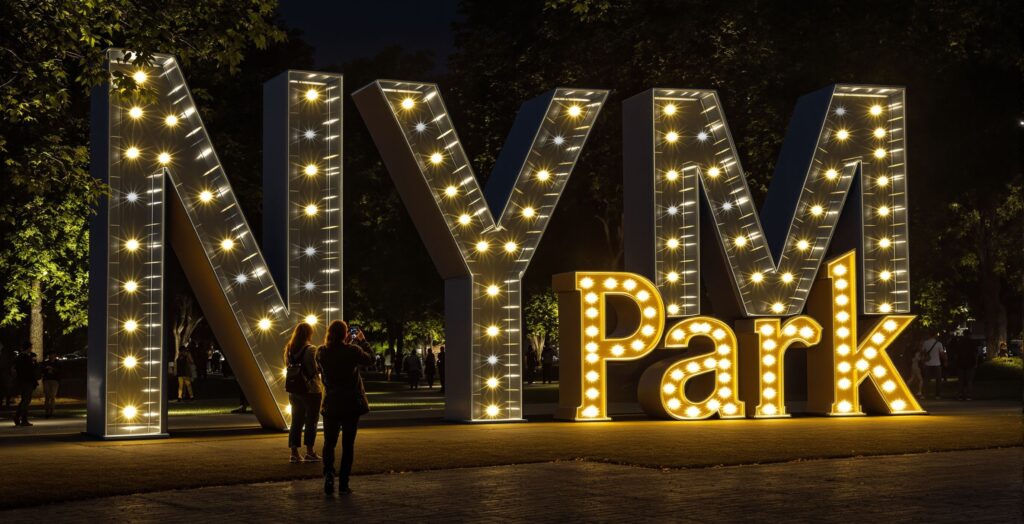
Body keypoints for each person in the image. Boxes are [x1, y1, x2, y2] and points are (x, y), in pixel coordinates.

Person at [317, 320, 374, 495]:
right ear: (345, 334)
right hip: (350, 403)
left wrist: (345, 344)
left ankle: (328, 474)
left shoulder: (321, 352)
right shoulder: (352, 351)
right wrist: (362, 341)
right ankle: (343, 483)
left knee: (329, 442)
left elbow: (329, 364)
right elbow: (369, 360)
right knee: (348, 445)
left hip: (331, 403)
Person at [284, 322, 322, 463]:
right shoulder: (311, 349)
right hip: (310, 390)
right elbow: (314, 370)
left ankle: (294, 453)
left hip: (294, 390)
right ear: (309, 334)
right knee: (311, 421)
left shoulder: (289, 349)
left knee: (296, 421)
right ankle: (310, 452)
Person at [13, 345, 39, 427]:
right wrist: (34, 362)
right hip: (28, 381)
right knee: (26, 401)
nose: (31, 350)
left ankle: (18, 417)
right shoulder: (27, 358)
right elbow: (31, 370)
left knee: (24, 400)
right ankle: (22, 418)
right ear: (28, 348)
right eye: (30, 348)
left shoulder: (18, 358)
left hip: (21, 381)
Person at [954, 331, 980, 400]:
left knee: (961, 380)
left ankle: (960, 395)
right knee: (969, 380)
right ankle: (969, 395)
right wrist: (976, 363)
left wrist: (956, 362)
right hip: (970, 363)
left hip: (960, 363)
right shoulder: (973, 343)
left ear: (963, 335)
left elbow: (956, 354)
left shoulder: (959, 342)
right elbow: (976, 354)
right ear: (970, 335)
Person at [920, 333, 946, 399]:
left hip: (928, 364)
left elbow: (922, 352)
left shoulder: (925, 343)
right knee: (938, 380)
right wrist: (945, 360)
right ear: (935, 336)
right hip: (937, 364)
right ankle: (937, 395)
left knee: (926, 380)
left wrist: (924, 359)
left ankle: (924, 394)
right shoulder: (939, 344)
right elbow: (942, 354)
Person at [41, 353, 61, 418]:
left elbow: (60, 371)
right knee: (47, 396)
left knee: (52, 396)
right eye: (50, 355)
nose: (51, 356)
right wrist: (46, 369)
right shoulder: (45, 363)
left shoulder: (57, 363)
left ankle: (52, 411)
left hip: (55, 380)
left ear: (55, 356)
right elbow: (42, 370)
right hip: (47, 380)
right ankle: (47, 412)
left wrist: (53, 369)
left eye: (52, 355)